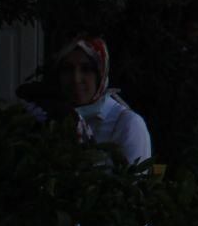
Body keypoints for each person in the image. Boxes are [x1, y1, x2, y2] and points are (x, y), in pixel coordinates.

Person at [54, 36, 152, 165]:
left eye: (86, 69)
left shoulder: (127, 124)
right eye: (68, 69)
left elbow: (134, 183)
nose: (76, 79)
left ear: (100, 75)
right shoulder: (53, 119)